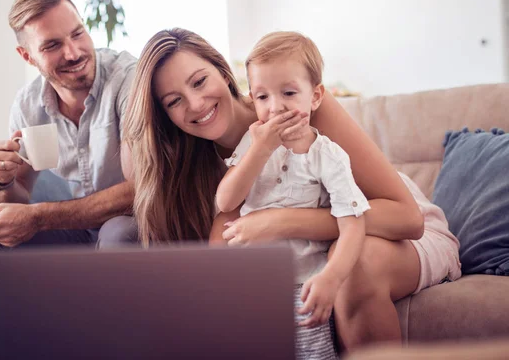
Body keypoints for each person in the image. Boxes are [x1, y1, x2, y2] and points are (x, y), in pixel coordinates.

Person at [122, 28, 461, 354]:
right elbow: (222, 250)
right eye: (174, 100)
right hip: (332, 243)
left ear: (223, 72)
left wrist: (280, 221)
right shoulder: (206, 165)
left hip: (407, 236)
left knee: (354, 268)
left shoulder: (299, 108)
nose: (196, 103)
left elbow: (407, 219)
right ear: (165, 115)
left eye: (199, 81)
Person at [0, 0, 138, 278]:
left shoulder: (129, 81)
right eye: (52, 45)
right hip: (79, 233)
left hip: (135, 224)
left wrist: (39, 218)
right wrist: (4, 181)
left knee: (119, 233)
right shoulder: (28, 105)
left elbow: (140, 189)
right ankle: (9, 321)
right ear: (27, 56)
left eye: (78, 34)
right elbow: (18, 200)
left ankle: (111, 322)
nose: (73, 53)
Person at [215, 31, 370, 359]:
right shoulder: (252, 142)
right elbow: (226, 201)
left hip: (304, 286)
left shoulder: (327, 155)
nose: (274, 108)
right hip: (251, 282)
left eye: (288, 92)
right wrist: (260, 149)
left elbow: (353, 225)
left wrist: (332, 277)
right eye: (262, 97)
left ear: (315, 97)